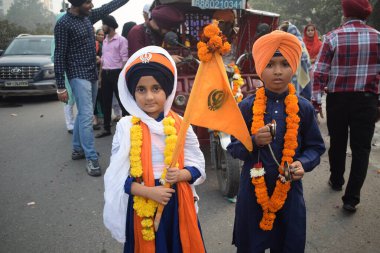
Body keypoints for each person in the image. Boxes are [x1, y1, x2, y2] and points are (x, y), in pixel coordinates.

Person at [227, 30, 325, 253]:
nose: (278, 71)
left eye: (284, 64)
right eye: (270, 64)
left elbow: (316, 147)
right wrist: (253, 141)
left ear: (293, 66)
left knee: (288, 244)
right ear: (260, 67)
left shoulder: (303, 108)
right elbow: (234, 147)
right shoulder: (246, 108)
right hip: (253, 192)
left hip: (289, 191)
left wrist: (304, 163)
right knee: (251, 245)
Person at [103, 46, 206, 252]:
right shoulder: (126, 127)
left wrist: (182, 174)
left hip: (177, 203)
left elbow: (198, 167)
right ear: (133, 93)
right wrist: (149, 192)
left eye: (156, 88)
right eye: (141, 89)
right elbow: (117, 179)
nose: (149, 97)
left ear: (167, 90)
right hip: (143, 204)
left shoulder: (181, 123)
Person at [313, 0, 379, 212]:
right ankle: (351, 198)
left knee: (338, 141)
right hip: (367, 100)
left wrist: (315, 101)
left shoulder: (332, 37)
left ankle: (336, 179)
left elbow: (320, 71)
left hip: (337, 100)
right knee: (361, 149)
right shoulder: (377, 37)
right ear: (366, 14)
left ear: (345, 13)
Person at [54, 0, 130, 176]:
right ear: (77, 4)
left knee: (83, 114)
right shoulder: (63, 24)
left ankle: (77, 149)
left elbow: (108, 7)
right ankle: (91, 158)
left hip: (92, 73)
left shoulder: (89, 17)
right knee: (88, 115)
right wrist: (60, 86)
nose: (92, 5)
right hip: (77, 74)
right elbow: (59, 56)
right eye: (88, 2)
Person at [96, 15, 129, 138]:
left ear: (109, 25)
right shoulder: (104, 40)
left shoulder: (121, 40)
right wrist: (100, 76)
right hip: (105, 73)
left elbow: (125, 59)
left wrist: (123, 76)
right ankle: (106, 129)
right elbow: (103, 59)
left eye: (103, 24)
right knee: (106, 101)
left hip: (117, 73)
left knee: (122, 101)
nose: (102, 26)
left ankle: (127, 128)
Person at [51, 12, 76, 135]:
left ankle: (76, 121)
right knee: (68, 99)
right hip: (65, 73)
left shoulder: (72, 36)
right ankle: (70, 124)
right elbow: (54, 57)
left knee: (77, 99)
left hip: (75, 71)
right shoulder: (56, 39)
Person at [279, 22, 312, 100]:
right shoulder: (300, 43)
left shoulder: (290, 43)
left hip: (293, 73)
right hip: (302, 74)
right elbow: (307, 62)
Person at [94, 28, 105, 130]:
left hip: (101, 73)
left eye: (103, 35)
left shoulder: (105, 45)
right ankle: (95, 119)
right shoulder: (94, 44)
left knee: (102, 97)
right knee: (95, 98)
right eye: (99, 35)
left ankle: (104, 118)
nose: (101, 36)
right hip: (93, 73)